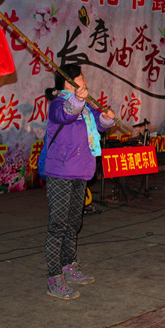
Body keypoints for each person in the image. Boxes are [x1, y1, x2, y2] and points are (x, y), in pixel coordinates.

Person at [43, 64, 116, 300]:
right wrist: (76, 100)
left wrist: (106, 118)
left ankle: (69, 266)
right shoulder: (58, 104)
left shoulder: (87, 107)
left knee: (74, 222)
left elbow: (99, 124)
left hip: (81, 170)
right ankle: (54, 278)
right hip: (61, 171)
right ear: (66, 83)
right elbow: (66, 114)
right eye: (78, 78)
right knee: (58, 225)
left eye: (82, 77)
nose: (82, 81)